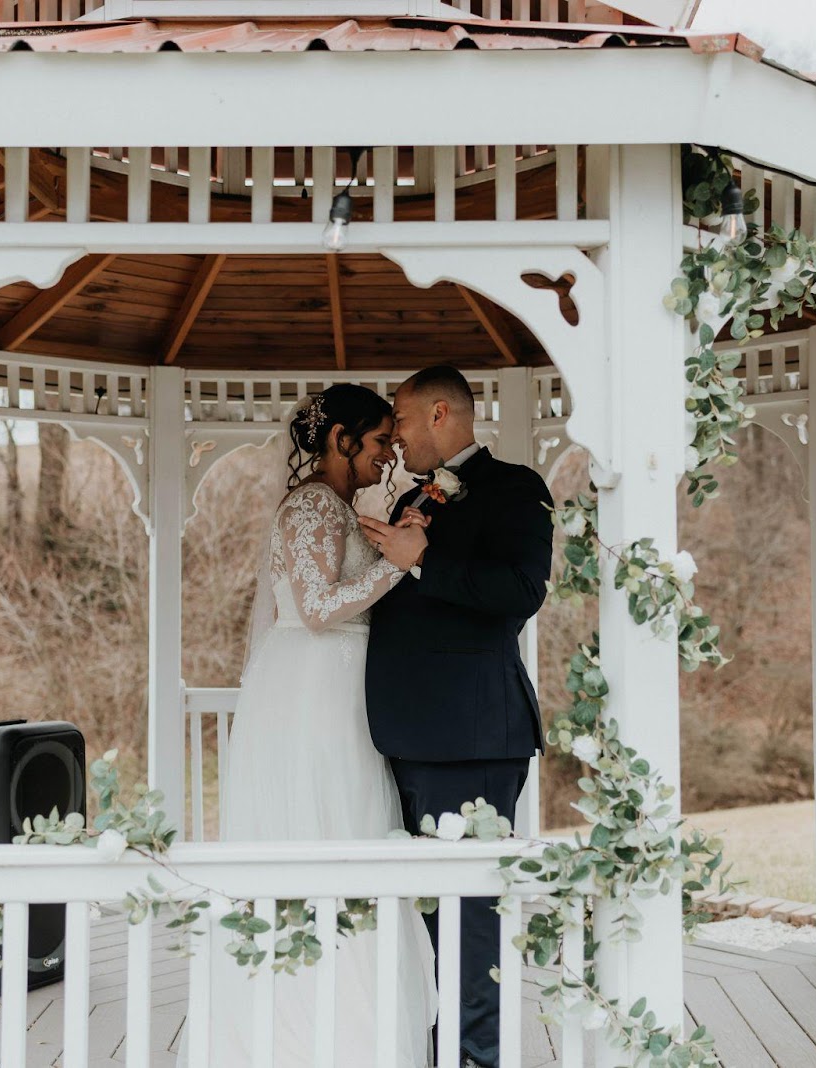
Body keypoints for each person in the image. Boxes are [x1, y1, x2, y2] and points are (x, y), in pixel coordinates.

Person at [180, 383, 436, 1068]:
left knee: (348, 828)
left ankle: (351, 1027)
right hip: (316, 694)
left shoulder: (340, 505)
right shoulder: (314, 506)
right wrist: (398, 566)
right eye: (379, 441)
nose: (389, 455)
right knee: (326, 829)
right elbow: (320, 607)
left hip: (337, 687)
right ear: (340, 439)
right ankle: (309, 1032)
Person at [359, 365, 554, 1068]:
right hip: (409, 738)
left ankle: (480, 1059)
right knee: (435, 918)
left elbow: (520, 591)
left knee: (472, 919)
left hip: (472, 739)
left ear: (439, 413)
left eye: (402, 422)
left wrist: (422, 562)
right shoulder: (416, 494)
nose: (397, 438)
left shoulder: (517, 489)